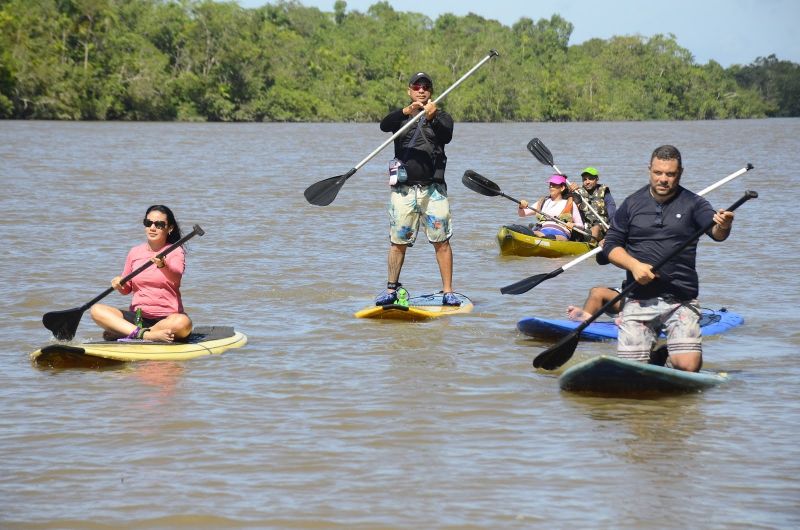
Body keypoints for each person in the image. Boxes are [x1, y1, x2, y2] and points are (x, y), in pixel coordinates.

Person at [602, 145, 735, 372]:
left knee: (688, 367)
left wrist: (724, 225)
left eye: (670, 174)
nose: (663, 179)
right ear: (649, 170)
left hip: (680, 299)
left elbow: (716, 233)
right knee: (630, 371)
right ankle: (657, 356)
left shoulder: (695, 204)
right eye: (658, 173)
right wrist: (634, 266)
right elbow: (610, 245)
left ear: (680, 173)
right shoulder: (632, 203)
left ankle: (671, 356)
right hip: (637, 297)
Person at [375, 71, 459, 306]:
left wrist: (431, 117)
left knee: (441, 242)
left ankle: (448, 292)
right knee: (398, 242)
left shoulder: (442, 118)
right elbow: (384, 125)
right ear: (409, 90)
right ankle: (391, 290)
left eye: (426, 87)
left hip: (433, 191)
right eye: (416, 86)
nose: (421, 90)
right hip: (403, 191)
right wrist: (406, 111)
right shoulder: (401, 118)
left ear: (430, 91)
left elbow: (447, 135)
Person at [90, 205, 193, 342]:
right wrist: (119, 284)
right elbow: (127, 289)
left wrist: (162, 265)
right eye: (148, 223)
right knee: (96, 310)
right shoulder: (135, 252)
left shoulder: (175, 251)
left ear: (170, 228)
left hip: (167, 319)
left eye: (159, 224)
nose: (152, 228)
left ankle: (130, 333)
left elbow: (176, 277)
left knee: (184, 324)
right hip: (138, 318)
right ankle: (147, 335)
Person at [518, 174, 584, 241]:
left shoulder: (569, 203)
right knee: (526, 232)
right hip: (541, 231)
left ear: (562, 188)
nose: (551, 186)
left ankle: (547, 241)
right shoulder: (543, 202)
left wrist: (573, 225)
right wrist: (521, 207)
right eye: (550, 184)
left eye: (554, 185)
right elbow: (522, 214)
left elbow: (581, 226)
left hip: (560, 233)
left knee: (550, 237)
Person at [568, 166, 617, 241]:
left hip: (601, 227)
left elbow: (612, 210)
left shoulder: (604, 192)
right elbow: (564, 203)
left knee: (595, 229)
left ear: (597, 179)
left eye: (590, 179)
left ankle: (591, 242)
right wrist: (569, 191)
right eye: (585, 179)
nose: (587, 182)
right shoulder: (577, 191)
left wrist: (614, 229)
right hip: (583, 226)